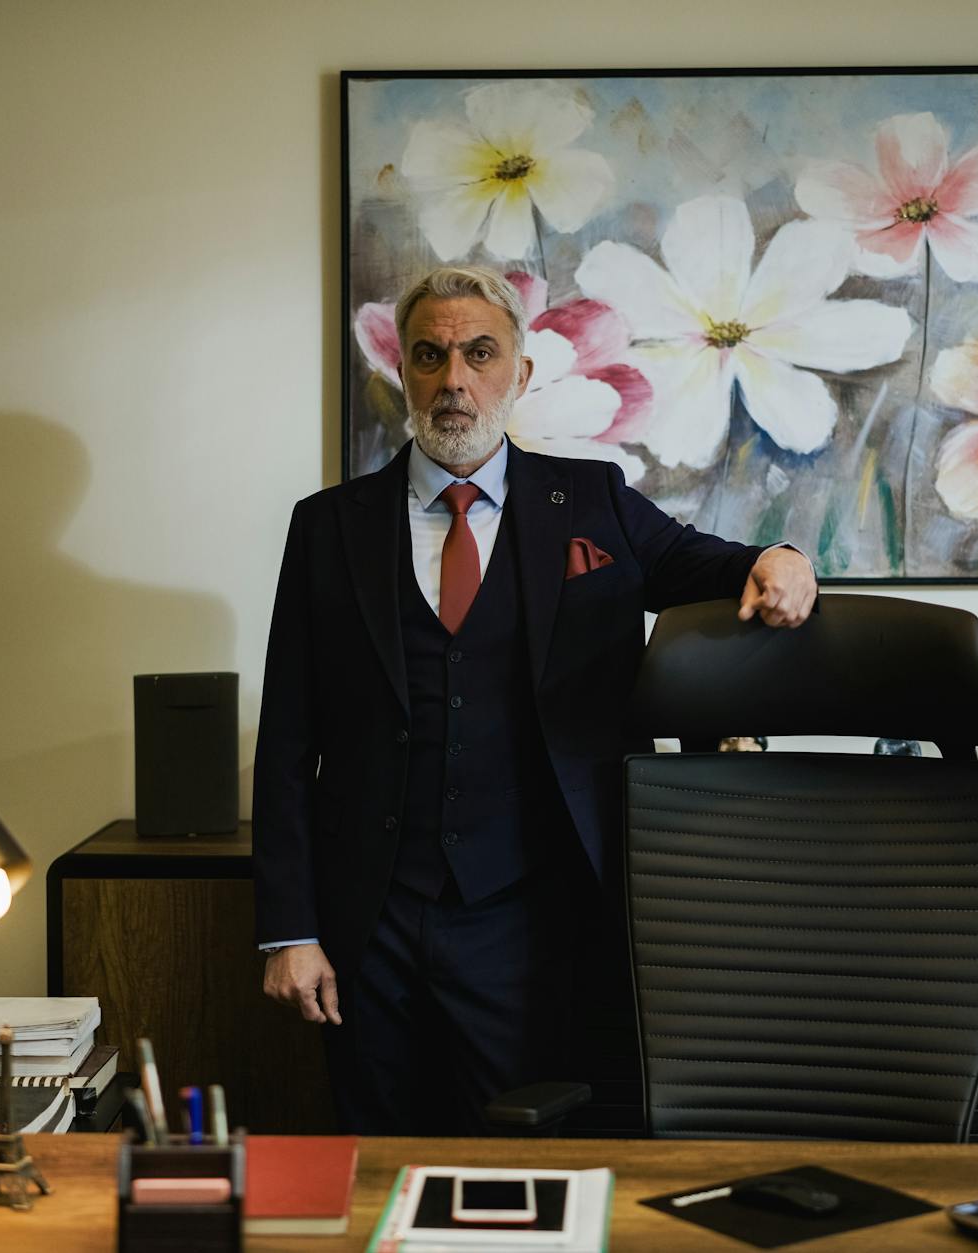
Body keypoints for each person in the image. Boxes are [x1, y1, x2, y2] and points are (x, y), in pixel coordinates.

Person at [253, 265, 817, 1133]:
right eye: (430, 355)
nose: (454, 380)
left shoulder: (591, 503)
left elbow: (707, 563)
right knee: (375, 1160)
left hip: (534, 921)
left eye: (480, 353)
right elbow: (289, 738)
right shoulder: (327, 526)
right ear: (402, 371)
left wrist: (781, 555)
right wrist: (289, 930)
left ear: (518, 374)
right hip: (369, 922)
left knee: (527, 1160)